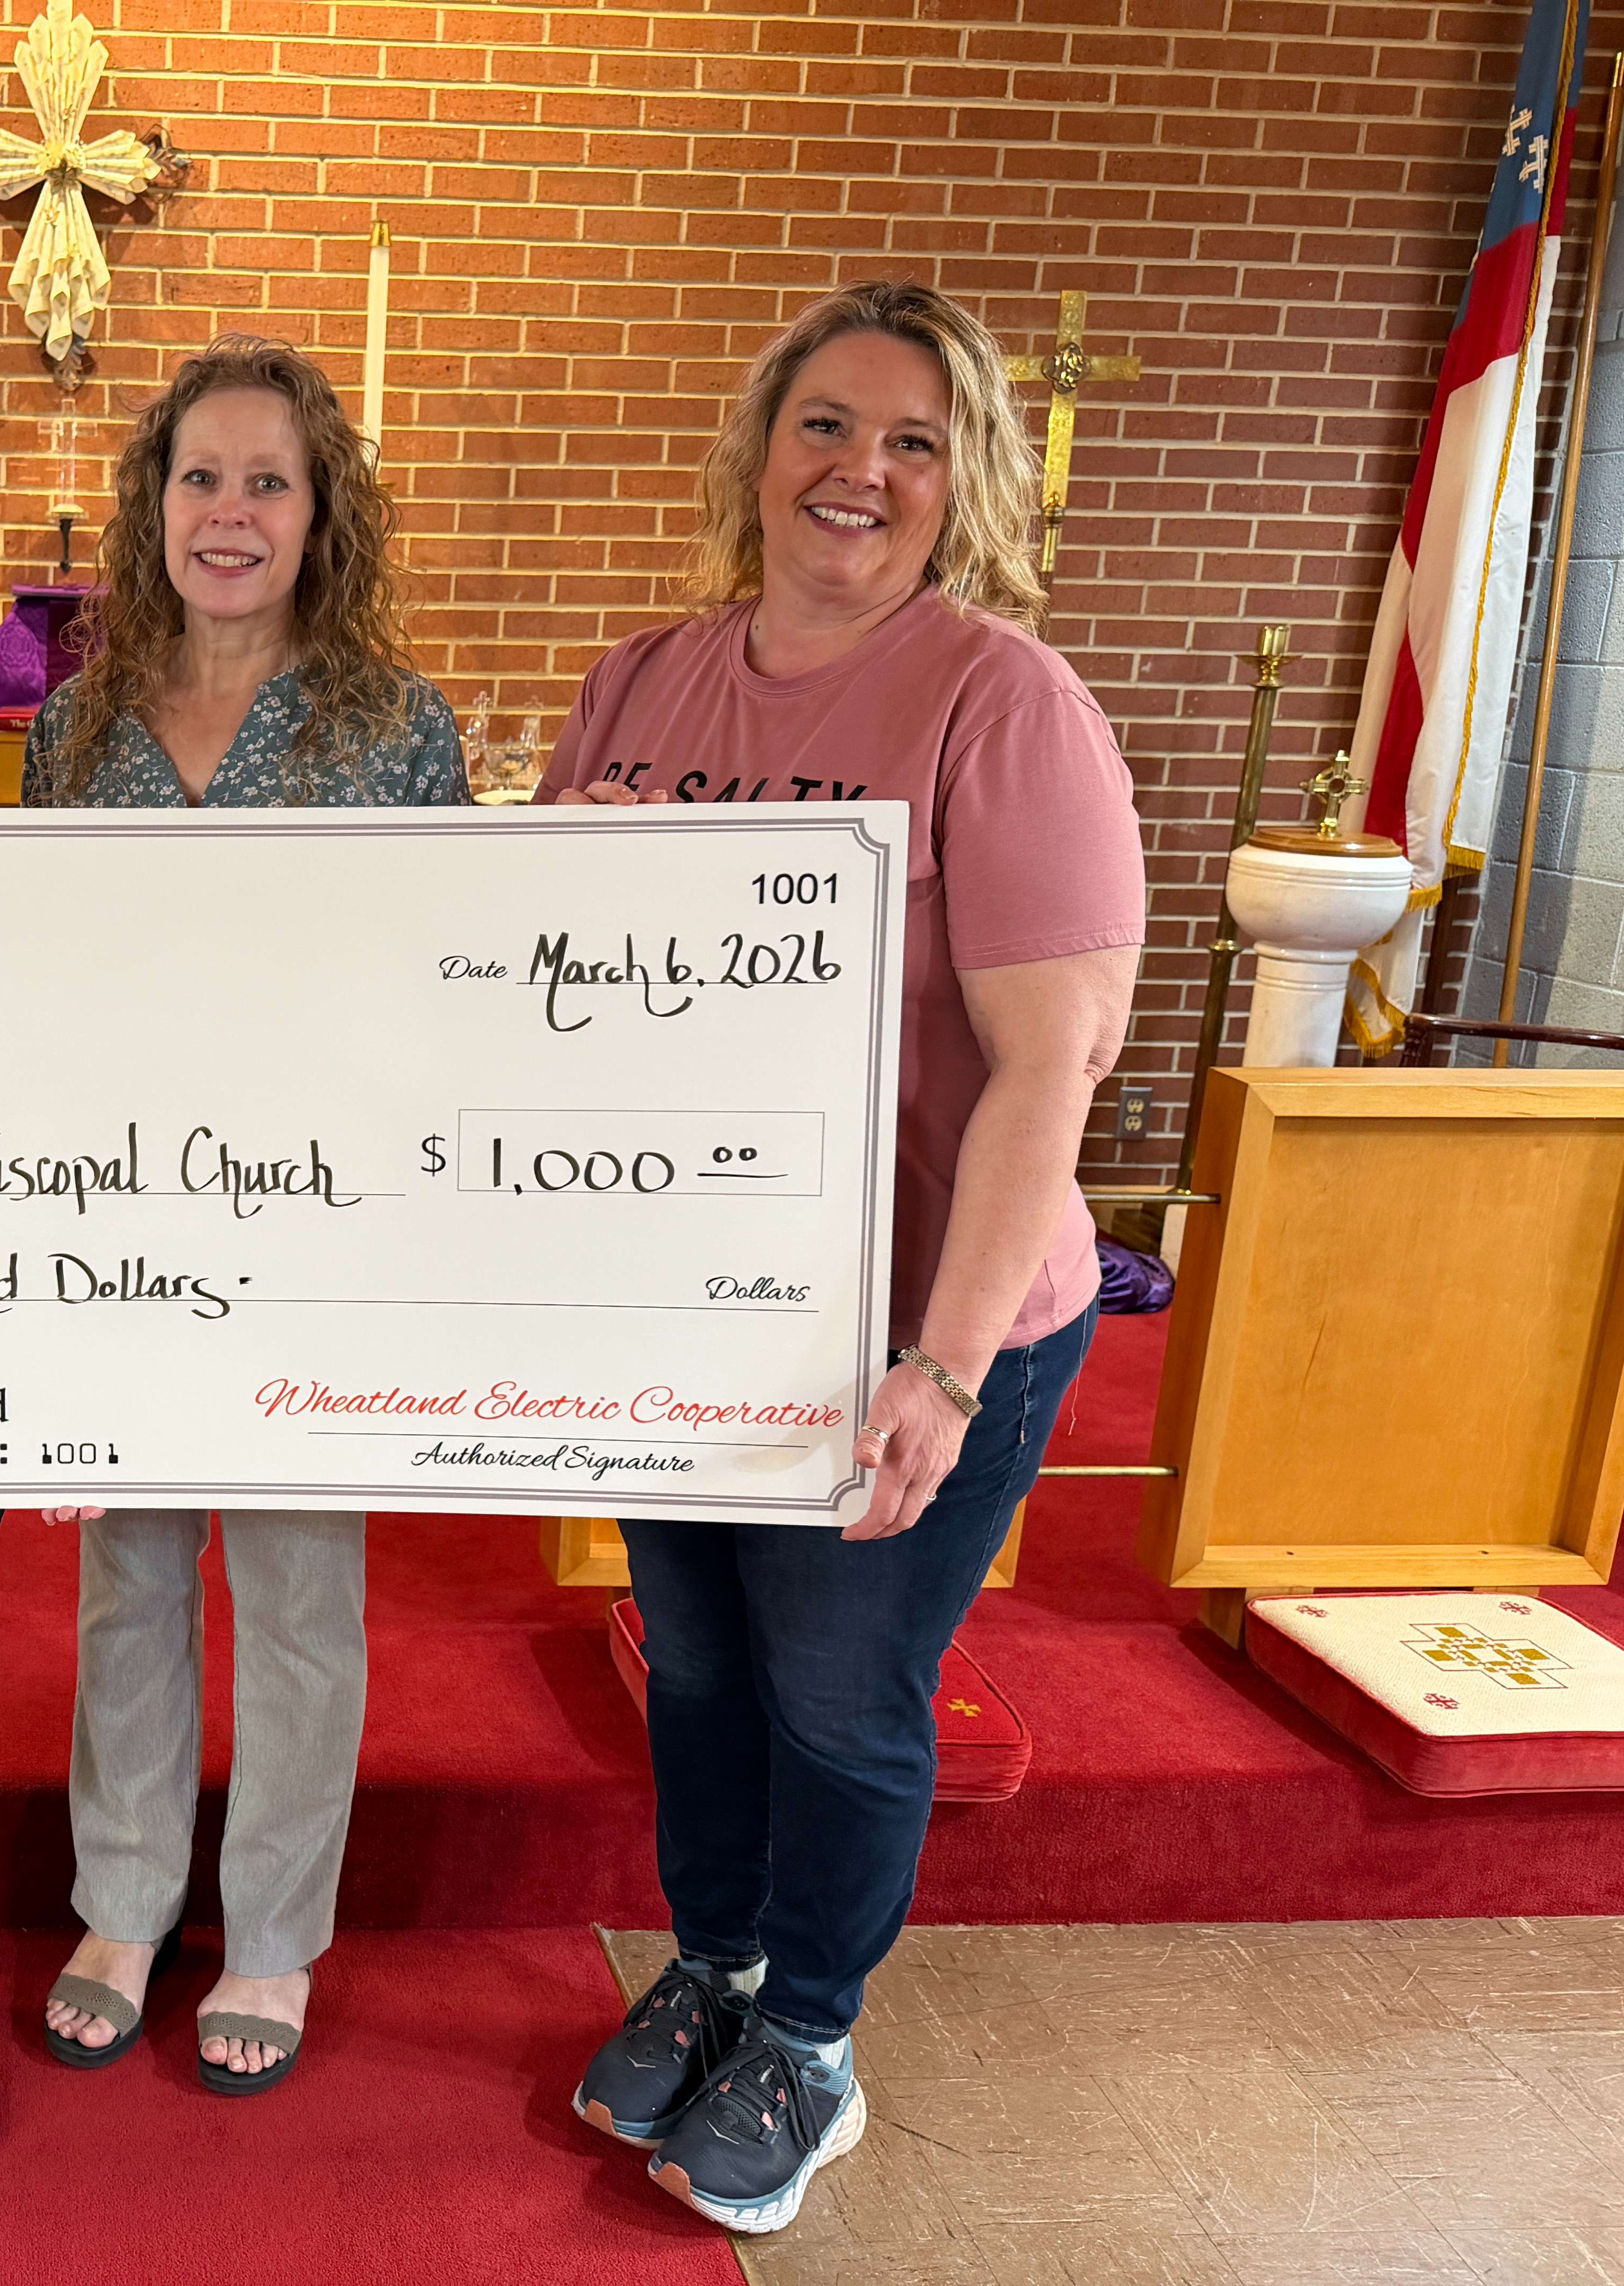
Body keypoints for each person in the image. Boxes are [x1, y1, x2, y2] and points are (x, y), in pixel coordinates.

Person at [541, 280, 1144, 2234]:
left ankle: (807, 2034)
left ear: (963, 474)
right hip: (695, 1307)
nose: (857, 472)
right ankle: (709, 1970)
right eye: (823, 425)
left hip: (919, 1322)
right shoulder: (642, 683)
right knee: (699, 1671)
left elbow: (1052, 1068)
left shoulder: (1000, 698)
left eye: (908, 437)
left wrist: (948, 1366)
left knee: (839, 1690)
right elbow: (539, 987)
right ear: (762, 448)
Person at [25, 334, 465, 2093]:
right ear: (154, 505)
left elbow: (439, 990)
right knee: (130, 1577)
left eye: (265, 480)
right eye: (199, 477)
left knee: (296, 1591)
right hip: (122, 1211)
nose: (228, 512)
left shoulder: (392, 723)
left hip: (313, 1223)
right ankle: (124, 1899)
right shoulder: (81, 718)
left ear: (318, 509)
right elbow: (40, 980)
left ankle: (273, 1933)